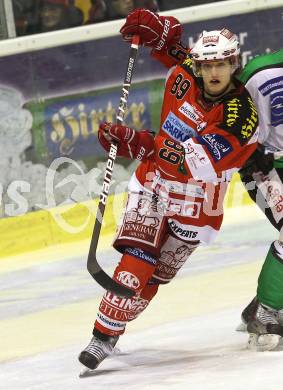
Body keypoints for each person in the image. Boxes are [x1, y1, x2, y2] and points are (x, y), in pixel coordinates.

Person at [78, 8, 259, 370]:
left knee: (153, 279)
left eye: (220, 64)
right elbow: (170, 47)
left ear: (233, 64)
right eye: (206, 65)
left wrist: (139, 141)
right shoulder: (189, 71)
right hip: (153, 184)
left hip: (197, 204)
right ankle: (102, 336)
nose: (212, 72)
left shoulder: (240, 115)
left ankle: (116, 328)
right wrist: (155, 29)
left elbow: (192, 162)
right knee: (137, 263)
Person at [236, 50, 283, 351]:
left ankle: (258, 306)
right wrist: (251, 153)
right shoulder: (258, 73)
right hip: (265, 169)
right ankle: (265, 310)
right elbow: (232, 124)